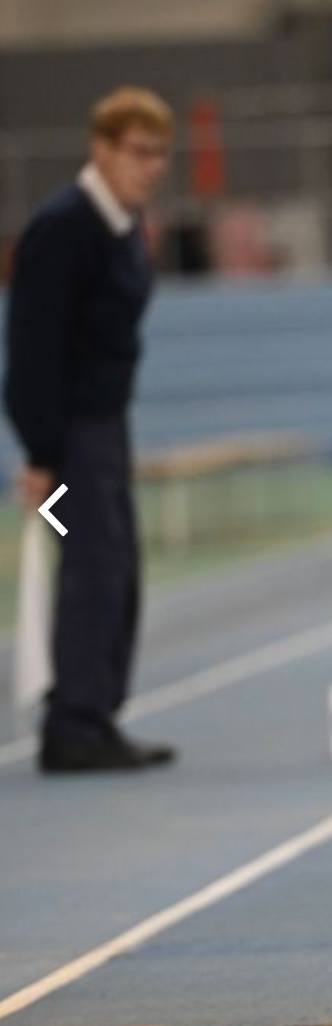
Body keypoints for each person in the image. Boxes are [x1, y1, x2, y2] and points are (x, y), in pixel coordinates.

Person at [3, 87, 178, 772]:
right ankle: (72, 725)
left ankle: (95, 715)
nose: (151, 166)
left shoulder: (123, 224)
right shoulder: (63, 228)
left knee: (115, 568)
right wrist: (41, 454)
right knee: (90, 566)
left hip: (105, 431)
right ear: (101, 149)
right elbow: (31, 350)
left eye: (159, 154)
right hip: (68, 443)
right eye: (138, 152)